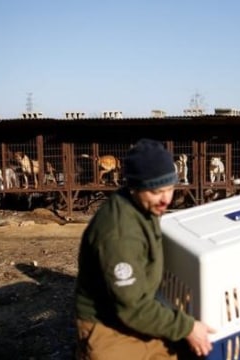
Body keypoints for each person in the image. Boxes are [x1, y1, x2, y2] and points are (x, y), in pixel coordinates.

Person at [74, 138, 215, 360]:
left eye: (170, 188)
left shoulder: (144, 206)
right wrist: (187, 327)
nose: (166, 199)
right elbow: (132, 307)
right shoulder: (119, 234)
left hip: (137, 311)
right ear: (134, 187)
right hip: (107, 326)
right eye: (157, 191)